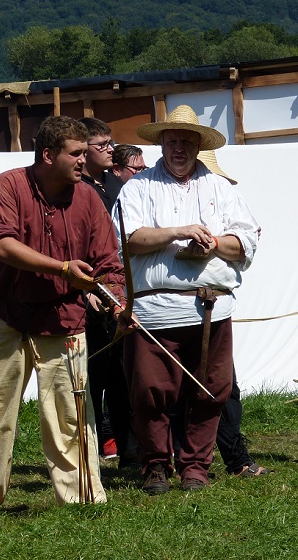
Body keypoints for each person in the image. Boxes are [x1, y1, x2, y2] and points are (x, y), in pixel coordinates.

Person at [0, 116, 132, 524]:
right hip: (8, 315)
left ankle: (81, 496)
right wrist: (63, 268)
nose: (83, 160)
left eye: (84, 152)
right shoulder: (9, 185)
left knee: (71, 413)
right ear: (48, 155)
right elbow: (2, 245)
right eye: (75, 153)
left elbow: (108, 264)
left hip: (64, 319)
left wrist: (118, 303)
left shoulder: (89, 199)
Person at [116, 105, 259, 494]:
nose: (179, 148)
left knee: (211, 390)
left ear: (198, 145)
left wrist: (213, 243)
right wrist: (179, 231)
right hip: (153, 311)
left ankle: (196, 467)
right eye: (172, 141)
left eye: (186, 141)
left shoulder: (221, 189)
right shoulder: (138, 187)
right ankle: (156, 466)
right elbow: (129, 239)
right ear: (161, 143)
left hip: (211, 308)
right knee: (149, 392)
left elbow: (246, 241)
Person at [170, 149, 270, 478]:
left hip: (213, 309)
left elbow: (242, 245)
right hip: (175, 310)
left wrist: (229, 241)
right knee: (181, 389)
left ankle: (234, 458)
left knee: (223, 386)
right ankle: (185, 460)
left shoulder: (223, 208)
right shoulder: (176, 212)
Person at [77, 118, 135, 465]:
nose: (111, 150)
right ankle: (91, 451)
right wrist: (88, 289)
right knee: (92, 377)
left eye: (111, 143)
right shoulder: (76, 187)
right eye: (102, 145)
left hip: (119, 289)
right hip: (88, 292)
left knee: (121, 374)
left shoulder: (116, 183)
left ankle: (129, 449)